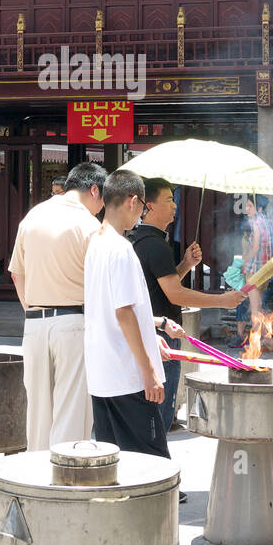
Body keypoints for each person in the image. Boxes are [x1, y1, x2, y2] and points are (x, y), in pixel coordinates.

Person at [84, 169, 187, 463]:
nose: (141, 214)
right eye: (142, 205)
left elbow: (114, 309)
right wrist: (148, 370)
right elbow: (124, 312)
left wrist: (154, 330)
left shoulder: (95, 244)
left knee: (114, 462)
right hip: (127, 374)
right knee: (150, 464)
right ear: (132, 201)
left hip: (103, 372)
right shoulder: (121, 248)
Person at [127, 177, 244, 429]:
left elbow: (160, 286)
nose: (175, 205)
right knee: (158, 415)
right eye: (169, 200)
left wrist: (185, 266)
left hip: (151, 328)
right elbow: (175, 295)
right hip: (161, 331)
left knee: (151, 411)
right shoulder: (154, 244)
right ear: (149, 206)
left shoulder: (145, 240)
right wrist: (222, 301)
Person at [8, 162, 105, 451]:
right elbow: (101, 286)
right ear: (94, 190)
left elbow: (16, 274)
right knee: (72, 412)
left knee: (38, 412)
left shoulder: (33, 216)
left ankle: (36, 481)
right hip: (74, 322)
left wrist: (32, 310)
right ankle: (64, 483)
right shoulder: (90, 225)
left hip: (35, 322)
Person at [232, 194, 273, 352]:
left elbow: (255, 248)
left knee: (255, 308)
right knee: (258, 305)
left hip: (254, 271)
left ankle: (257, 341)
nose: (246, 209)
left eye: (250, 206)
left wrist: (243, 260)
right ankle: (267, 340)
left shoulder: (256, 223)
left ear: (259, 208)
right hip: (266, 270)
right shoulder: (268, 223)